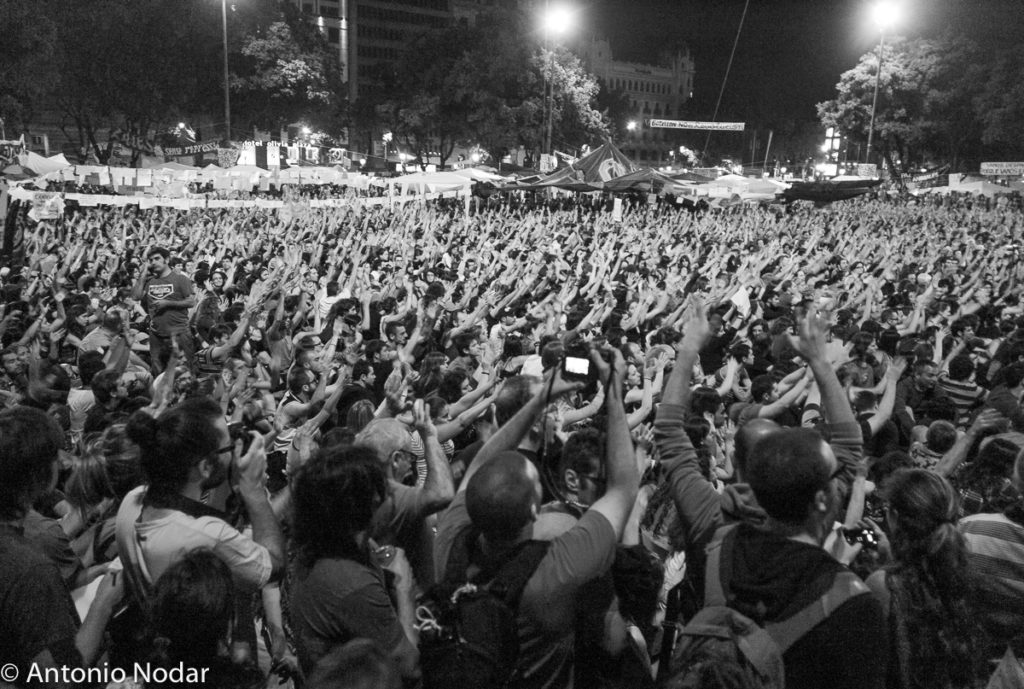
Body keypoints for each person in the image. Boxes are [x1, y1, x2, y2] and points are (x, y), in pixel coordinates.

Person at [433, 349, 639, 688]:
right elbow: (623, 490)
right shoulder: (555, 572)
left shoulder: (450, 537)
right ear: (535, 511)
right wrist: (614, 391)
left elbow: (483, 461)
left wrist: (540, 400)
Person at [0, 406, 121, 686]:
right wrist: (104, 602)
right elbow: (59, 679)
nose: (65, 462)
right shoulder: (31, 570)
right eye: (57, 456)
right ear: (41, 474)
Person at [289, 445, 420, 682]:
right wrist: (404, 590)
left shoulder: (326, 545)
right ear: (369, 504)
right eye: (386, 491)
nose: (392, 496)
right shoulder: (351, 584)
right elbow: (409, 665)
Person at [131, 246, 196, 375]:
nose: (153, 262)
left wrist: (167, 303)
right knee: (158, 370)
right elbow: (135, 296)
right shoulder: (150, 281)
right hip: (156, 333)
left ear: (166, 259)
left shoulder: (180, 279)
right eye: (151, 260)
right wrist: (143, 273)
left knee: (185, 368)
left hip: (179, 332)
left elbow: (191, 302)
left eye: (157, 258)